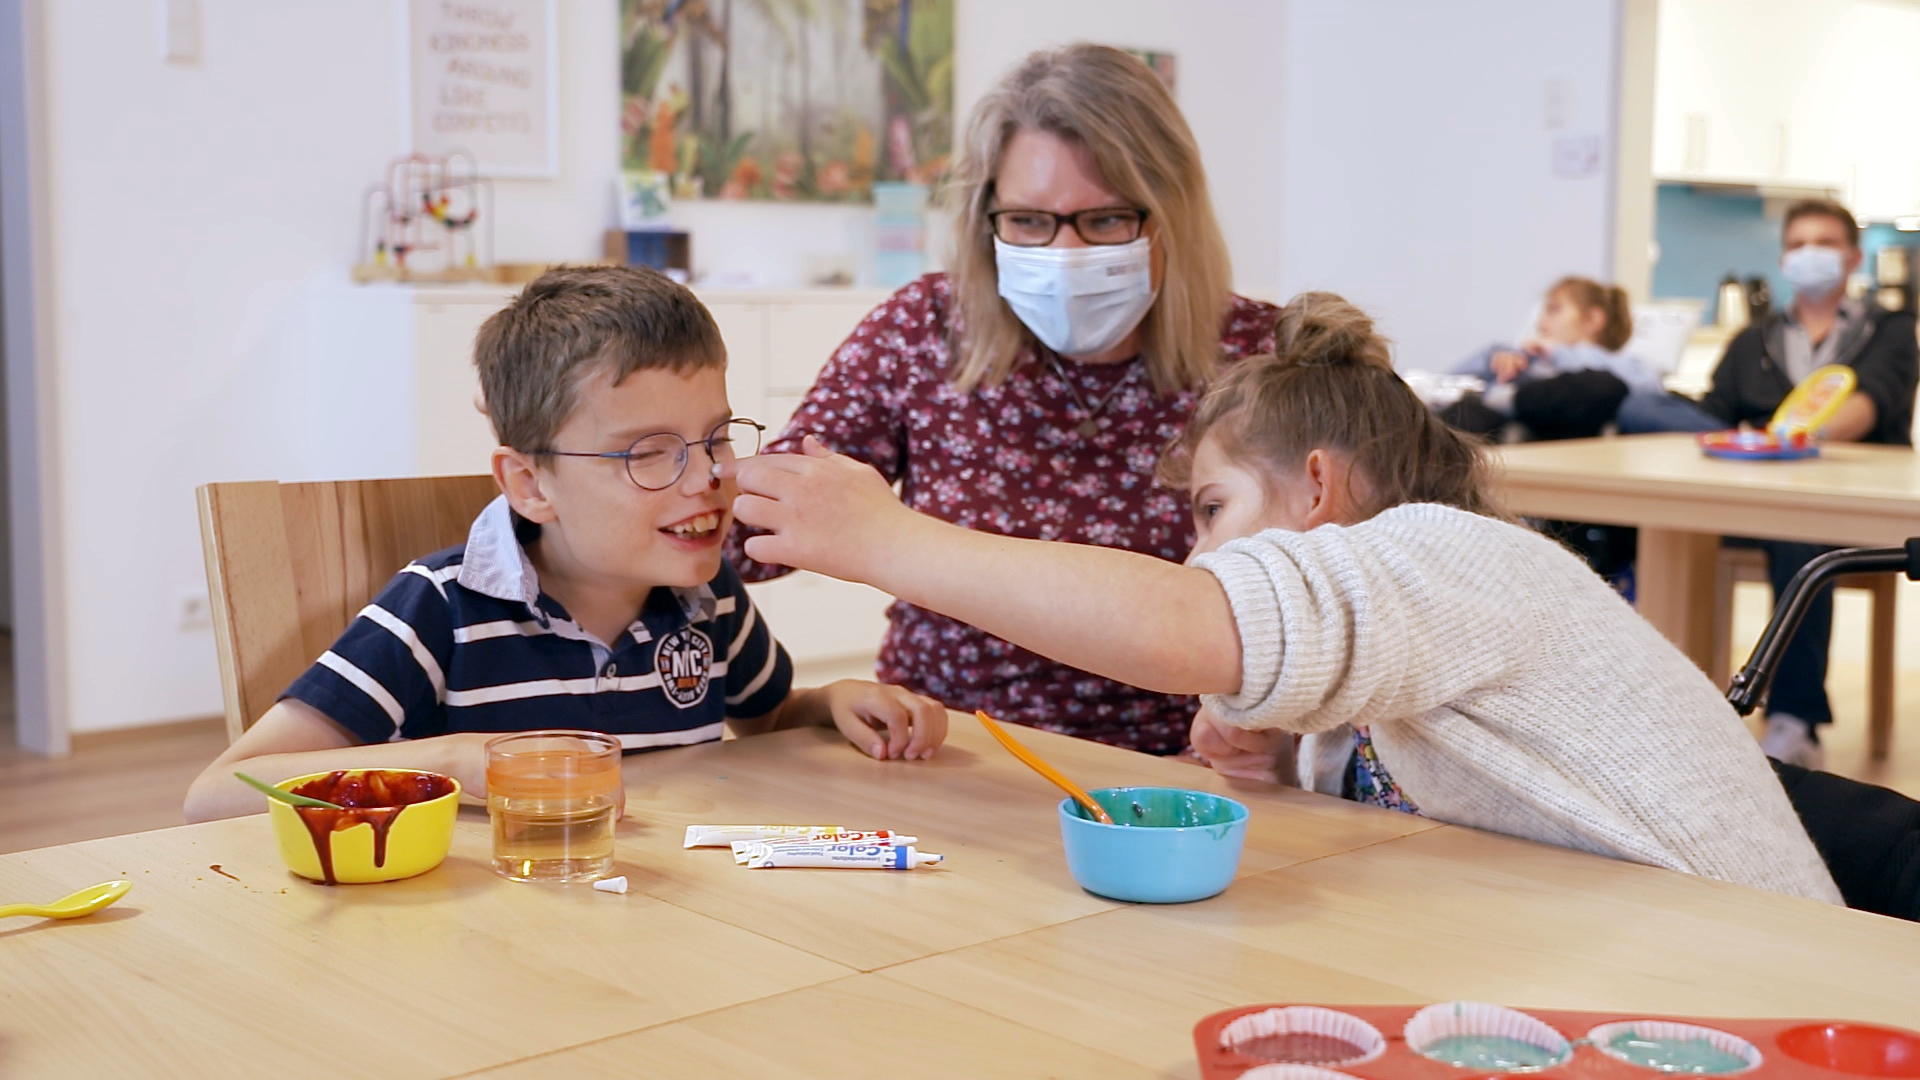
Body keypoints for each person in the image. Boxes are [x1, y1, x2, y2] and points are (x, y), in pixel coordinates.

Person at [723, 292, 1841, 903]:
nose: (1200, 550)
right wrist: (1284, 765)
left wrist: (884, 537)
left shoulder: (1451, 557)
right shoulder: (1405, 630)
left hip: (1751, 981)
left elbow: (1178, 626)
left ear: (1316, 485)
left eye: (1211, 512)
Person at [184, 266, 946, 823]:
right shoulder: (437, 611)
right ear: (530, 486)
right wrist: (453, 762)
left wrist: (828, 703)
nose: (710, 477)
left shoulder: (709, 602)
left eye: (715, 438)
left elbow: (768, 720)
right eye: (648, 452)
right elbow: (221, 791)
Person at [725, 44, 1278, 756]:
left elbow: (1322, 604)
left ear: (1172, 214)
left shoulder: (1260, 361)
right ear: (986, 219)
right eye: (1028, 222)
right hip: (941, 743)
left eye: (1105, 221)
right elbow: (753, 525)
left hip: (1184, 768)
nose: (1065, 253)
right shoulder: (924, 329)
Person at [1616, 199, 1919, 769]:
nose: (1811, 254)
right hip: (1744, 494)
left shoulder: (1891, 330)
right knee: (1643, 420)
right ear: (1783, 257)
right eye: (1799, 243)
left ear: (1853, 257)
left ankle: (1793, 722)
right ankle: (1666, 709)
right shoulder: (1752, 339)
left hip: (1837, 505)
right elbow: (1711, 415)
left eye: (1825, 243)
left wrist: (1789, 442)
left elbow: (1868, 406)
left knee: (1798, 534)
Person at [1443, 276, 1662, 441]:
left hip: (1560, 438)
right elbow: (1449, 382)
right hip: (1492, 429)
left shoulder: (1628, 366)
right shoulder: (1527, 359)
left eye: (1553, 310)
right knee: (1461, 414)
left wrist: (1560, 353)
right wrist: (1492, 361)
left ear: (1593, 319)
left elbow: (1646, 391)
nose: (1541, 322)